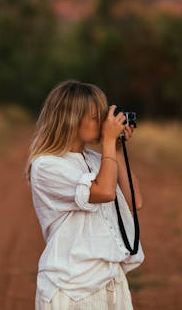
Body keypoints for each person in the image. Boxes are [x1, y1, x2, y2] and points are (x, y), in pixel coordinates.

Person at [26, 80, 145, 310]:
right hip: (72, 288)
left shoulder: (96, 160)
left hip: (111, 280)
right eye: (95, 116)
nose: (102, 121)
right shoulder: (46, 166)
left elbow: (135, 201)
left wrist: (117, 149)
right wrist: (108, 141)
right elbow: (104, 191)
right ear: (70, 119)